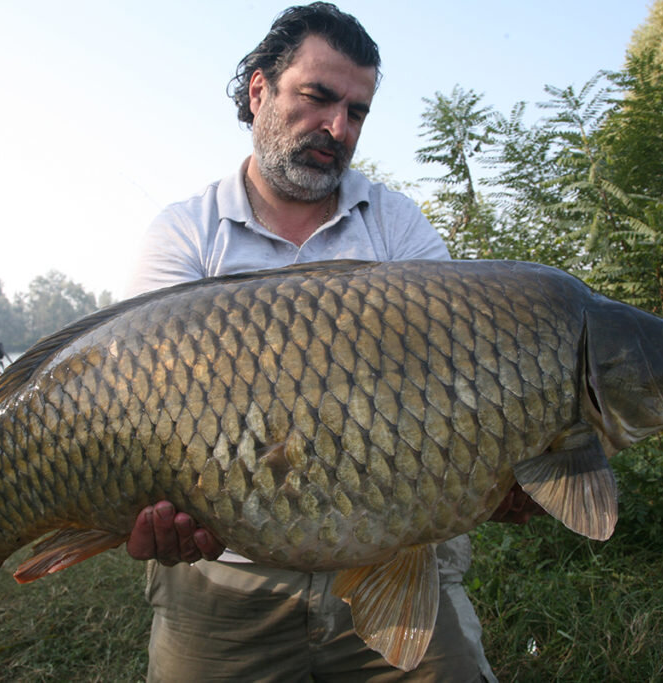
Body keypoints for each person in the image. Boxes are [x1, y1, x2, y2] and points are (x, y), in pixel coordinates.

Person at [123, 4, 542, 681]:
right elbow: (137, 411)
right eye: (317, 98)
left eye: (357, 111)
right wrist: (146, 513)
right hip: (225, 575)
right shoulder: (185, 235)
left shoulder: (397, 228)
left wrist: (501, 464)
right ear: (260, 90)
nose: (337, 128)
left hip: (391, 555)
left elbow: (460, 377)